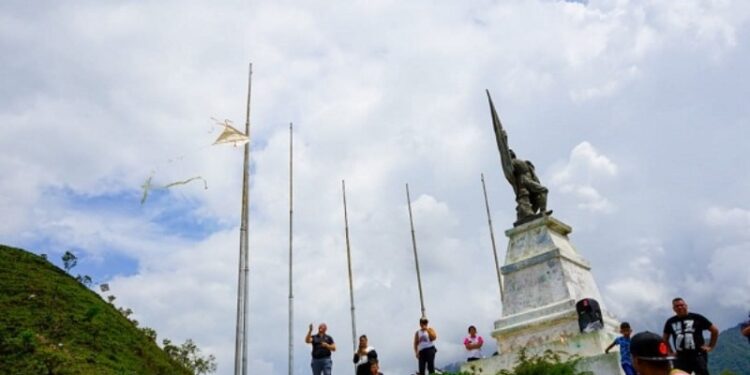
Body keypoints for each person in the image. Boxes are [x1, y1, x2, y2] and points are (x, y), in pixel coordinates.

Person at [662, 297, 719, 375]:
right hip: (681, 357)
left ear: (686, 306)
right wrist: (670, 352)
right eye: (677, 306)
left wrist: (711, 346)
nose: (680, 307)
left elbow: (714, 330)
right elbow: (665, 339)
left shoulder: (697, 317)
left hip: (698, 354)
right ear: (673, 309)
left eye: (681, 305)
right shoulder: (670, 322)